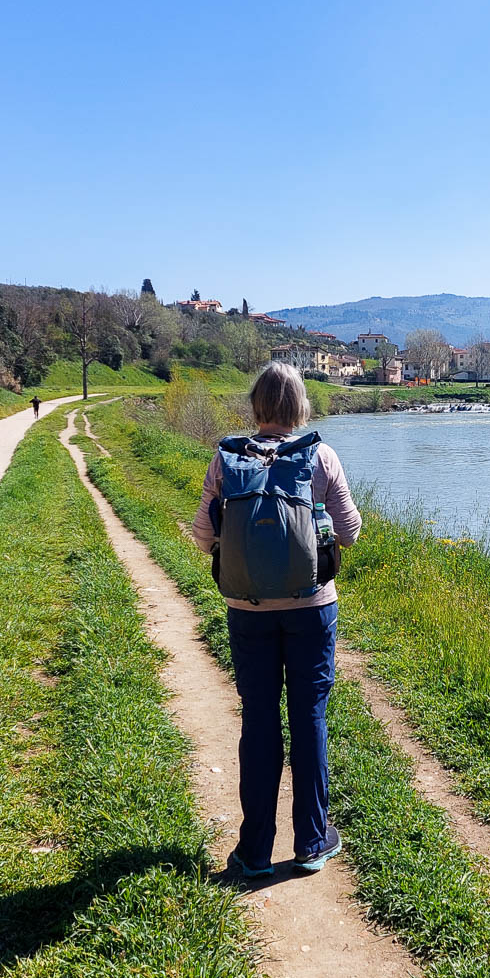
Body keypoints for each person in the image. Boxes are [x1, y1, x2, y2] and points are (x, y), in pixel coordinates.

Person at [191, 362, 361, 877]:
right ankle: (311, 841)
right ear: (300, 406)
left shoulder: (226, 460)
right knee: (309, 715)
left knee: (260, 719)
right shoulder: (320, 455)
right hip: (312, 608)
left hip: (248, 611)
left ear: (256, 404)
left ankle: (255, 851)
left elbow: (202, 535)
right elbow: (350, 531)